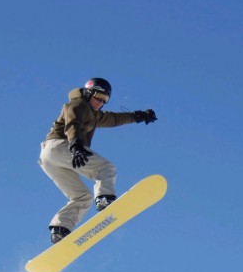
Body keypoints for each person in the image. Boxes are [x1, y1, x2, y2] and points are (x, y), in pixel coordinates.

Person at [39, 78, 158, 243]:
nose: (100, 102)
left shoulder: (94, 115)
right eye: (98, 97)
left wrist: (138, 116)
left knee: (82, 197)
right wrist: (75, 145)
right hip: (61, 146)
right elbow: (73, 123)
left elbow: (114, 119)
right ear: (89, 93)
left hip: (49, 158)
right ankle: (104, 198)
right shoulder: (78, 105)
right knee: (105, 168)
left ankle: (60, 228)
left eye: (105, 99)